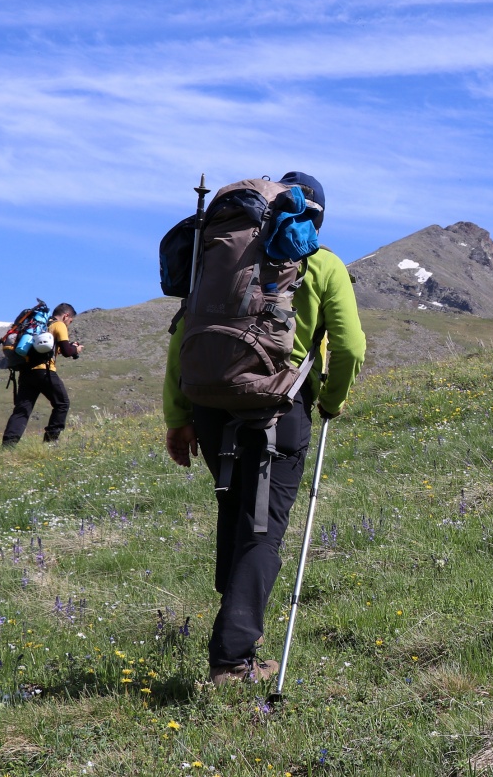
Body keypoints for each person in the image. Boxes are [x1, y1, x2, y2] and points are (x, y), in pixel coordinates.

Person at [163, 171, 365, 685]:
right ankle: (232, 661)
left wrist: (179, 417)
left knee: (235, 512)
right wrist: (333, 402)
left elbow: (182, 337)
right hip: (278, 408)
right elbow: (349, 347)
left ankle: (236, 625)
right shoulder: (322, 264)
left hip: (209, 403)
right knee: (263, 531)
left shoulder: (219, 260)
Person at [2, 302, 82, 446]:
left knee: (22, 410)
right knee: (62, 403)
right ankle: (50, 440)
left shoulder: (41, 326)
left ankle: (8, 444)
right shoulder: (59, 325)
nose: (69, 324)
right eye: (70, 321)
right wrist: (76, 349)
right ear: (66, 316)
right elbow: (66, 351)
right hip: (44, 371)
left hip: (26, 373)